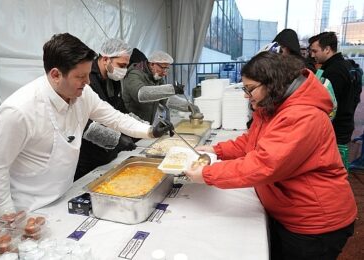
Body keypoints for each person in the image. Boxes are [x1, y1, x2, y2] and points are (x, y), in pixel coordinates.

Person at [185, 52, 357, 260]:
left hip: (314, 223)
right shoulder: (274, 105)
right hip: (290, 213)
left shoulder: (302, 115)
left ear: (272, 82)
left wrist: (207, 174)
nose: (246, 96)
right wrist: (216, 150)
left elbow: (263, 164)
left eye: (249, 90)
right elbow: (252, 142)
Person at [0, 33, 173, 215]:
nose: (88, 81)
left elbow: (115, 117)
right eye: (80, 77)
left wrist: (150, 131)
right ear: (56, 75)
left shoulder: (84, 94)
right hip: (28, 210)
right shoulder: (18, 111)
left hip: (65, 195)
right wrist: (8, 219)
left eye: (89, 74)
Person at [75, 39, 144, 181]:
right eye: (122, 65)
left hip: (109, 154)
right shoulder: (88, 80)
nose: (124, 71)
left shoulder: (113, 80)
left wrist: (145, 127)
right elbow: (83, 122)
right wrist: (115, 139)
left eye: (126, 66)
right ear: (106, 59)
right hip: (87, 155)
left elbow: (120, 111)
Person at [122, 50, 198, 124]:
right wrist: (172, 89)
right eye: (163, 68)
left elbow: (165, 98)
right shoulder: (134, 74)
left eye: (166, 68)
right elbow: (141, 94)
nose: (165, 73)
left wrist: (187, 106)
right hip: (131, 123)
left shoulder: (156, 76)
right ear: (152, 64)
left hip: (147, 123)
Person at [309, 32, 356, 146]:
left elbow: (327, 103)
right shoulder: (345, 65)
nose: (312, 55)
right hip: (344, 124)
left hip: (336, 129)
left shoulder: (334, 71)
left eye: (315, 51)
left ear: (327, 49)